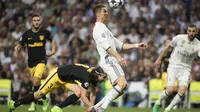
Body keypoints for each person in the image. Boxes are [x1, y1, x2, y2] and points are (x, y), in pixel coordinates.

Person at [88, 4, 148, 112]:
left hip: (112, 59)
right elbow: (107, 48)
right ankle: (101, 109)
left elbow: (120, 46)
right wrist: (119, 57)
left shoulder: (105, 29)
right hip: (108, 59)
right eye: (104, 11)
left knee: (121, 89)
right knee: (122, 83)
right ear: (98, 14)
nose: (107, 13)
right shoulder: (98, 28)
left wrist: (136, 45)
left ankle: (94, 108)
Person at [8, 64, 107, 112]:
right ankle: (14, 104)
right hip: (57, 75)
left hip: (67, 80)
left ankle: (57, 107)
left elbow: (93, 94)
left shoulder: (94, 77)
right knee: (38, 95)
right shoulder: (87, 77)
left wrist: (91, 108)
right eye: (104, 77)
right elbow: (85, 97)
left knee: (78, 92)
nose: (105, 79)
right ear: (98, 74)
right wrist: (93, 109)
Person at [153, 24, 200, 112]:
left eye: (193, 31)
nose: (191, 33)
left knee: (182, 91)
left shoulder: (198, 44)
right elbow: (167, 47)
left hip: (185, 69)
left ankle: (167, 109)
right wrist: (159, 59)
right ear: (187, 31)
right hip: (173, 66)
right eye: (189, 31)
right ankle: (158, 102)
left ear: (196, 32)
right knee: (170, 90)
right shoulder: (179, 38)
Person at [14, 14, 56, 111]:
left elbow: (52, 40)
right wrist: (17, 47)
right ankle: (44, 99)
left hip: (41, 61)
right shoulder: (26, 34)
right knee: (35, 85)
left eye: (38, 20)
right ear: (31, 22)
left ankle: (33, 104)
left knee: (36, 80)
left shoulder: (45, 32)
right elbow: (20, 44)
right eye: (34, 20)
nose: (36, 22)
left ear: (40, 21)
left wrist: (53, 50)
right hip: (31, 63)